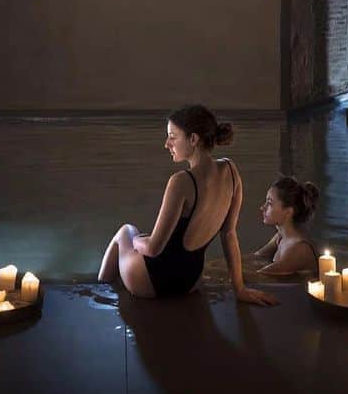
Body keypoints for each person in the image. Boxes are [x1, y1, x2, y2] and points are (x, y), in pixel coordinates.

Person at [98, 104, 277, 306]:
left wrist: (137, 241)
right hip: (189, 281)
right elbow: (228, 234)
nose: (166, 144)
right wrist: (240, 289)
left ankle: (99, 289)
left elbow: (153, 249)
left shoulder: (181, 181)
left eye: (172, 137)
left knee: (126, 232)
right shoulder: (231, 170)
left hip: (152, 282)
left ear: (193, 139)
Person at [253, 177, 319, 274]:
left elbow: (261, 274)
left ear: (288, 212)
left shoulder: (300, 249)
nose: (262, 208)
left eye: (270, 203)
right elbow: (255, 258)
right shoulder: (280, 237)